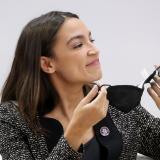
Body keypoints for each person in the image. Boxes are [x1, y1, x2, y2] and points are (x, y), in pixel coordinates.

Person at [0, 11, 159, 160]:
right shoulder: (11, 118)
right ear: (47, 64)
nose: (94, 50)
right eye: (78, 45)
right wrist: (76, 130)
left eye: (91, 40)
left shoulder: (118, 103)